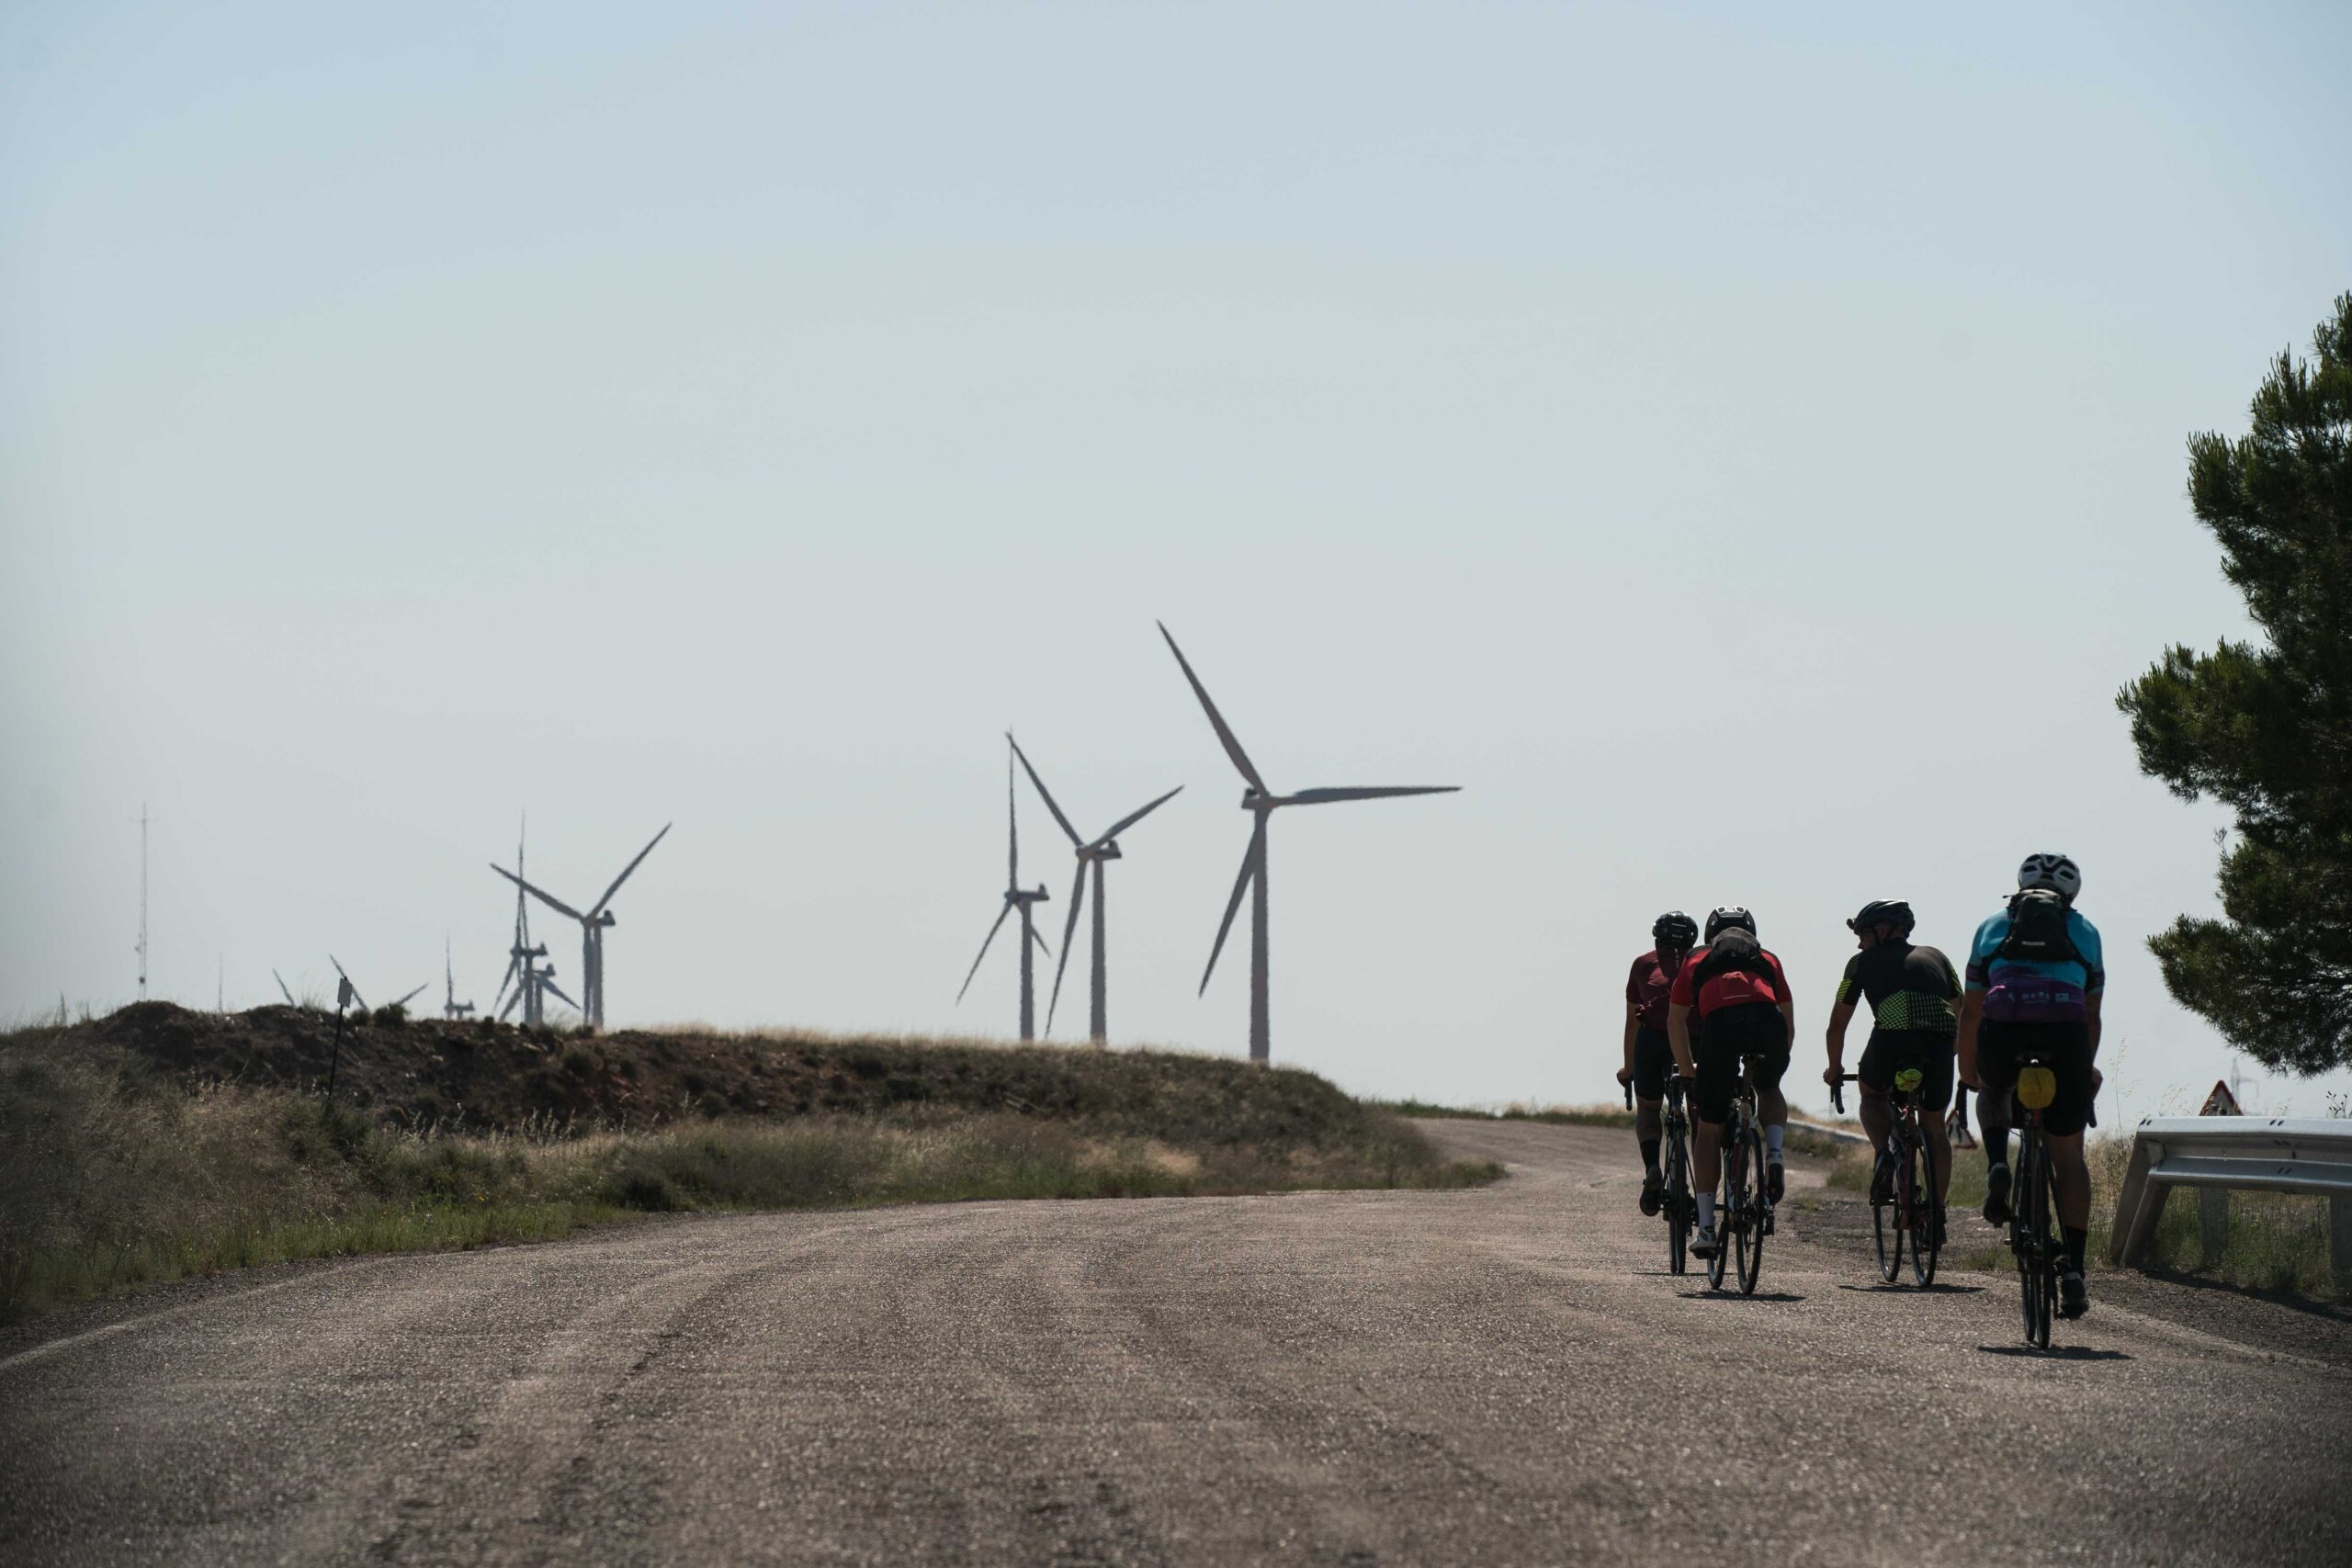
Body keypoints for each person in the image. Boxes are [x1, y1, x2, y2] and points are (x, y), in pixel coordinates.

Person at [1958, 853, 2104, 1321]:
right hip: (2066, 1031)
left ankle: (2000, 1163)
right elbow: (2092, 1013)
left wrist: (1969, 1071)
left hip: (2005, 1026)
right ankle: (2076, 1269)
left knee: (1993, 1093)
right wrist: (2085, 1068)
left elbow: (1973, 1009)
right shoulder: (2086, 932)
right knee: (2068, 1157)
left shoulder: (1991, 926)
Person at [1823, 899, 1961, 1232]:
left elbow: (1838, 1023)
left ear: (1883, 930)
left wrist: (1834, 1068)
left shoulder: (1859, 964)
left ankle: (1883, 1152)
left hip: (1893, 1037)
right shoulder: (1938, 957)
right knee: (1934, 1126)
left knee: (1871, 1094)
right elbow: (1960, 1007)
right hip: (1941, 1040)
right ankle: (1938, 1212)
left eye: (1863, 934)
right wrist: (1949, 1052)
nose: (1859, 942)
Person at [1667, 908, 1795, 1259]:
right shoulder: (1767, 958)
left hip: (1720, 1026)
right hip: (1767, 1024)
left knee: (1708, 1128)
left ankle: (1707, 1228)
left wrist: (1689, 1071)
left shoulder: (1696, 960)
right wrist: (1773, 1067)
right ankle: (1774, 1153)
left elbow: (1675, 1021)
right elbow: (1788, 1019)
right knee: (1770, 1090)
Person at [1618, 910, 1699, 1215]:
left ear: (1657, 938)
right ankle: (1702, 1179)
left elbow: (1631, 1023)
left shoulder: (1642, 963)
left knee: (1650, 1109)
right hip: (1693, 1039)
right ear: (1692, 940)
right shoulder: (1700, 961)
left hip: (1652, 1041)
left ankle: (1653, 1167)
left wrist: (1629, 1070)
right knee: (1700, 1112)